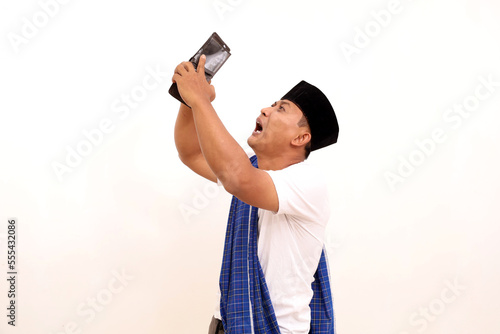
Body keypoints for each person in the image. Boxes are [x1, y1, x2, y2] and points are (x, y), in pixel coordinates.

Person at [172, 54, 339, 334]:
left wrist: (201, 101)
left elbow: (237, 178)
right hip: (229, 324)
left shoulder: (306, 181)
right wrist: (190, 102)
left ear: (300, 138)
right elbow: (191, 153)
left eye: (281, 109)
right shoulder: (254, 170)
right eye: (273, 104)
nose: (265, 110)